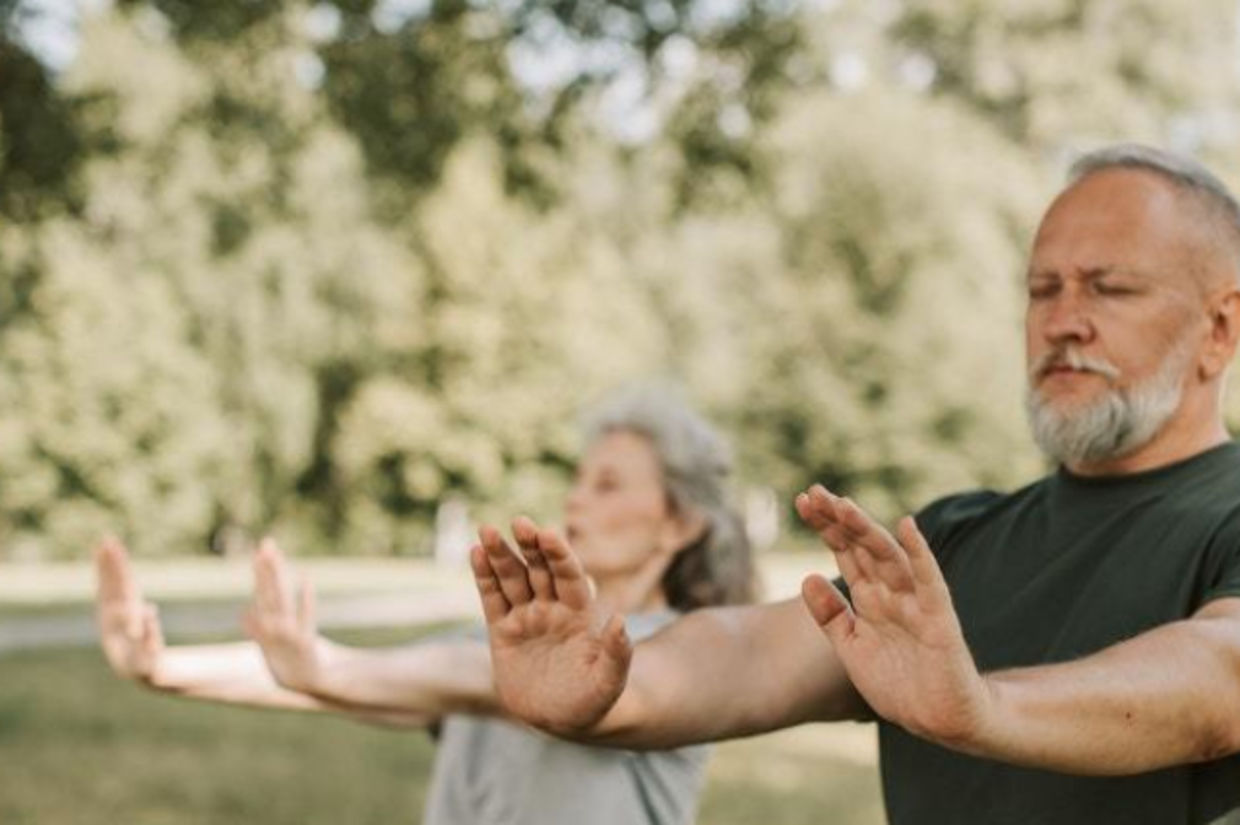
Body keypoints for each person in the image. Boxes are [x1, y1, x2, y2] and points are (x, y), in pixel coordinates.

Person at [470, 144, 1240, 825]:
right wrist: (614, 692)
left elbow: (1218, 676)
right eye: (1043, 289)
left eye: (1109, 288)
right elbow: (755, 654)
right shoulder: (950, 541)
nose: (1064, 320)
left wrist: (983, 708)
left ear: (1220, 330)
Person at [96, 387, 756, 825]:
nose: (578, 500)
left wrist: (324, 666)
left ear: (681, 524)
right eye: (578, 480)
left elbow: (463, 680)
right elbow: (372, 679)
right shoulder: (490, 647)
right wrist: (161, 666)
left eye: (608, 483)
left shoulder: (677, 654)